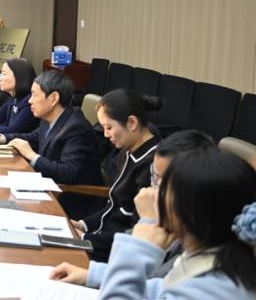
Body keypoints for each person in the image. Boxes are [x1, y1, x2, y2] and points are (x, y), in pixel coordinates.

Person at [50, 130, 218, 286]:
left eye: (161, 180)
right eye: (154, 177)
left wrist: (148, 222)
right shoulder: (174, 222)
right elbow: (152, 287)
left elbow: (134, 287)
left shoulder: (200, 257)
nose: (151, 189)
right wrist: (91, 275)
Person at [91, 149, 256, 299]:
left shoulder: (214, 288)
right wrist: (91, 274)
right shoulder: (222, 257)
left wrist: (139, 245)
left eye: (163, 189)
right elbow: (165, 288)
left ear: (189, 212)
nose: (153, 194)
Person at [0, 69, 102, 218]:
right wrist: (1, 138)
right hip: (46, 190)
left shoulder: (76, 128)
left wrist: (32, 155)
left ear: (53, 98)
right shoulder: (51, 118)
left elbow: (67, 173)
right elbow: (33, 137)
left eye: (34, 95)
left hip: (68, 202)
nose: (30, 100)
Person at [71, 89, 161, 262]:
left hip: (117, 253)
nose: (105, 134)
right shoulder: (127, 151)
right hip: (102, 241)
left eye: (109, 127)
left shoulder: (154, 166)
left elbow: (136, 231)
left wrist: (85, 239)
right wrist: (83, 225)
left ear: (132, 123)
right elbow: (113, 204)